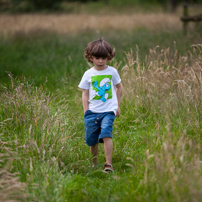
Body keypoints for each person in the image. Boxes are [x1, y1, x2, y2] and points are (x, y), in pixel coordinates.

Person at [78, 38, 122, 172]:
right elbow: (85, 93)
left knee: (106, 134)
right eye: (97, 58)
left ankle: (108, 164)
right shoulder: (88, 74)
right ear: (91, 58)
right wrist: (87, 111)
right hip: (92, 111)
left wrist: (117, 106)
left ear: (109, 57)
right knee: (92, 139)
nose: (101, 61)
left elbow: (119, 88)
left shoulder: (112, 72)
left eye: (104, 58)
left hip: (108, 110)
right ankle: (94, 164)